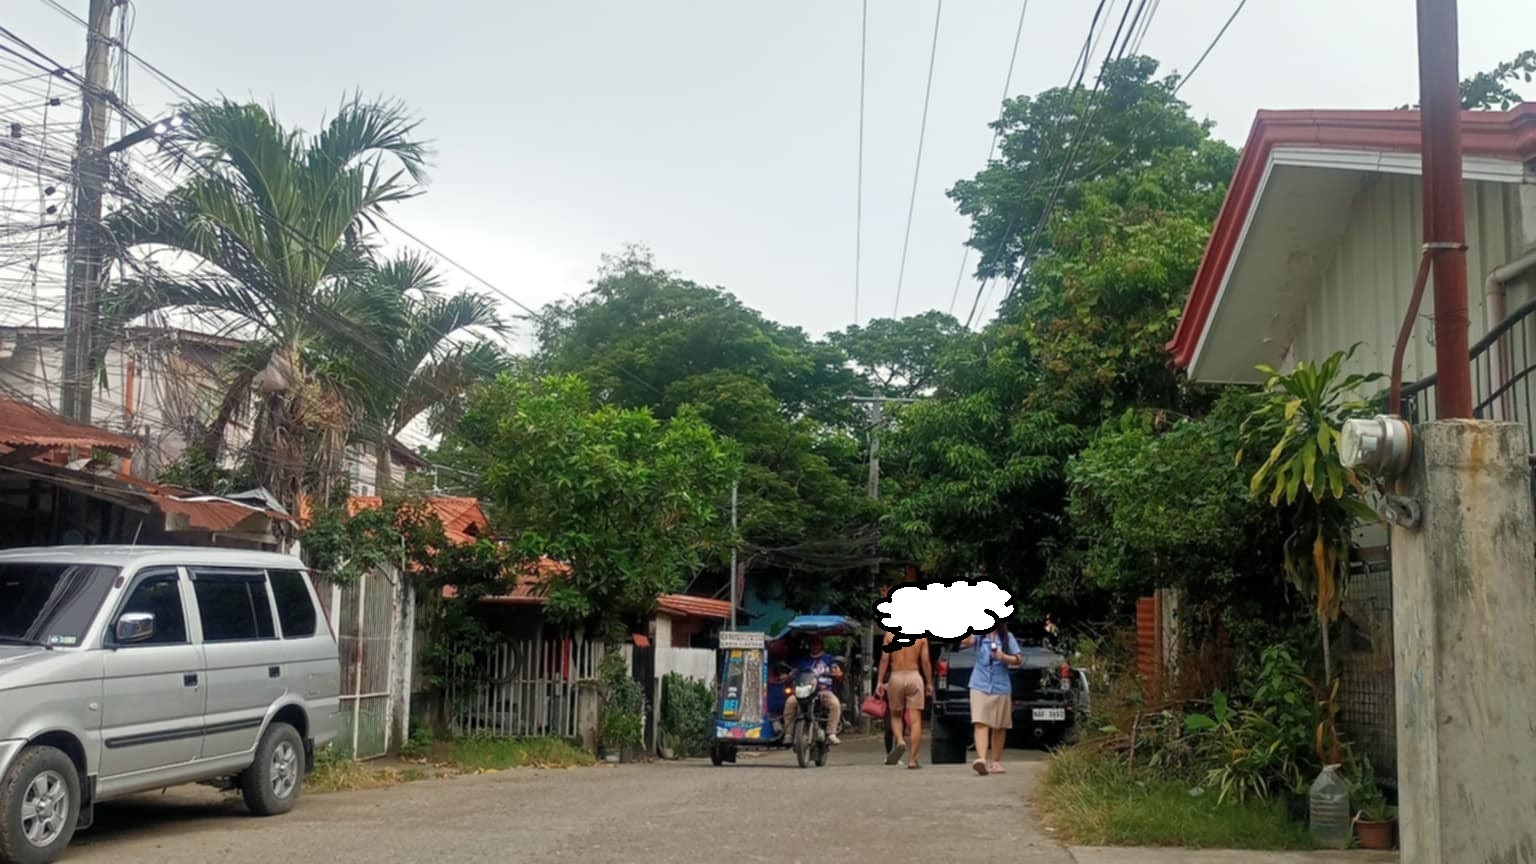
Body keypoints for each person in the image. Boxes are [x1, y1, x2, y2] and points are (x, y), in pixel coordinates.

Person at [959, 622, 1023, 775]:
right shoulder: (979, 636)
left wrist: (1003, 657)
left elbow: (1018, 659)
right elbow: (965, 641)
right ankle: (981, 759)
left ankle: (996, 762)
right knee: (980, 722)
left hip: (1001, 686)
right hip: (979, 684)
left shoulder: (1007, 637)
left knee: (999, 726)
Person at [876, 632, 932, 768]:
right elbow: (925, 661)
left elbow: (884, 659)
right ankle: (912, 760)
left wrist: (880, 681)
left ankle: (900, 740)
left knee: (896, 715)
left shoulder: (889, 635)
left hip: (896, 676)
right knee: (915, 720)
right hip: (914, 676)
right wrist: (929, 682)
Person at [780, 635, 843, 745]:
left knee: (835, 704)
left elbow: (837, 672)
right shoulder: (803, 660)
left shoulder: (829, 659)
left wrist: (836, 673)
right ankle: (788, 734)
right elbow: (794, 672)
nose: (814, 646)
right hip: (804, 690)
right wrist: (787, 676)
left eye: (817, 644)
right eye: (812, 644)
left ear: (821, 645)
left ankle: (831, 734)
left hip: (823, 691)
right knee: (790, 702)